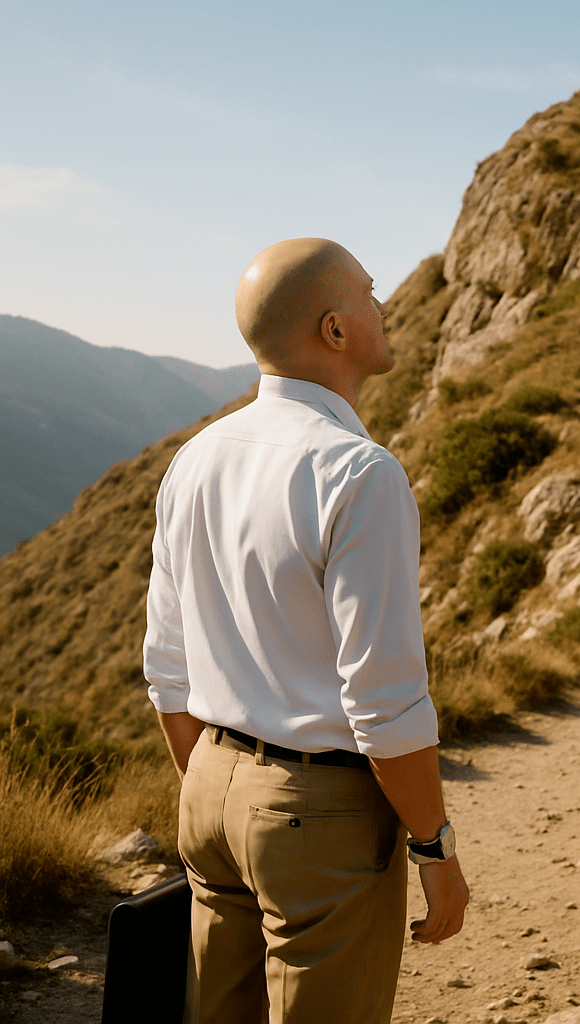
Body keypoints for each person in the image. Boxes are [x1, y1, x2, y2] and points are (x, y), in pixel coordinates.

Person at [142, 237, 469, 1024]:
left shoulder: (194, 459)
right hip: (315, 812)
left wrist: (218, 786)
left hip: (209, 787)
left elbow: (167, 667)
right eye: (368, 292)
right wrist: (436, 849)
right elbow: (384, 703)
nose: (384, 305)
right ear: (334, 330)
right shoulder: (360, 473)